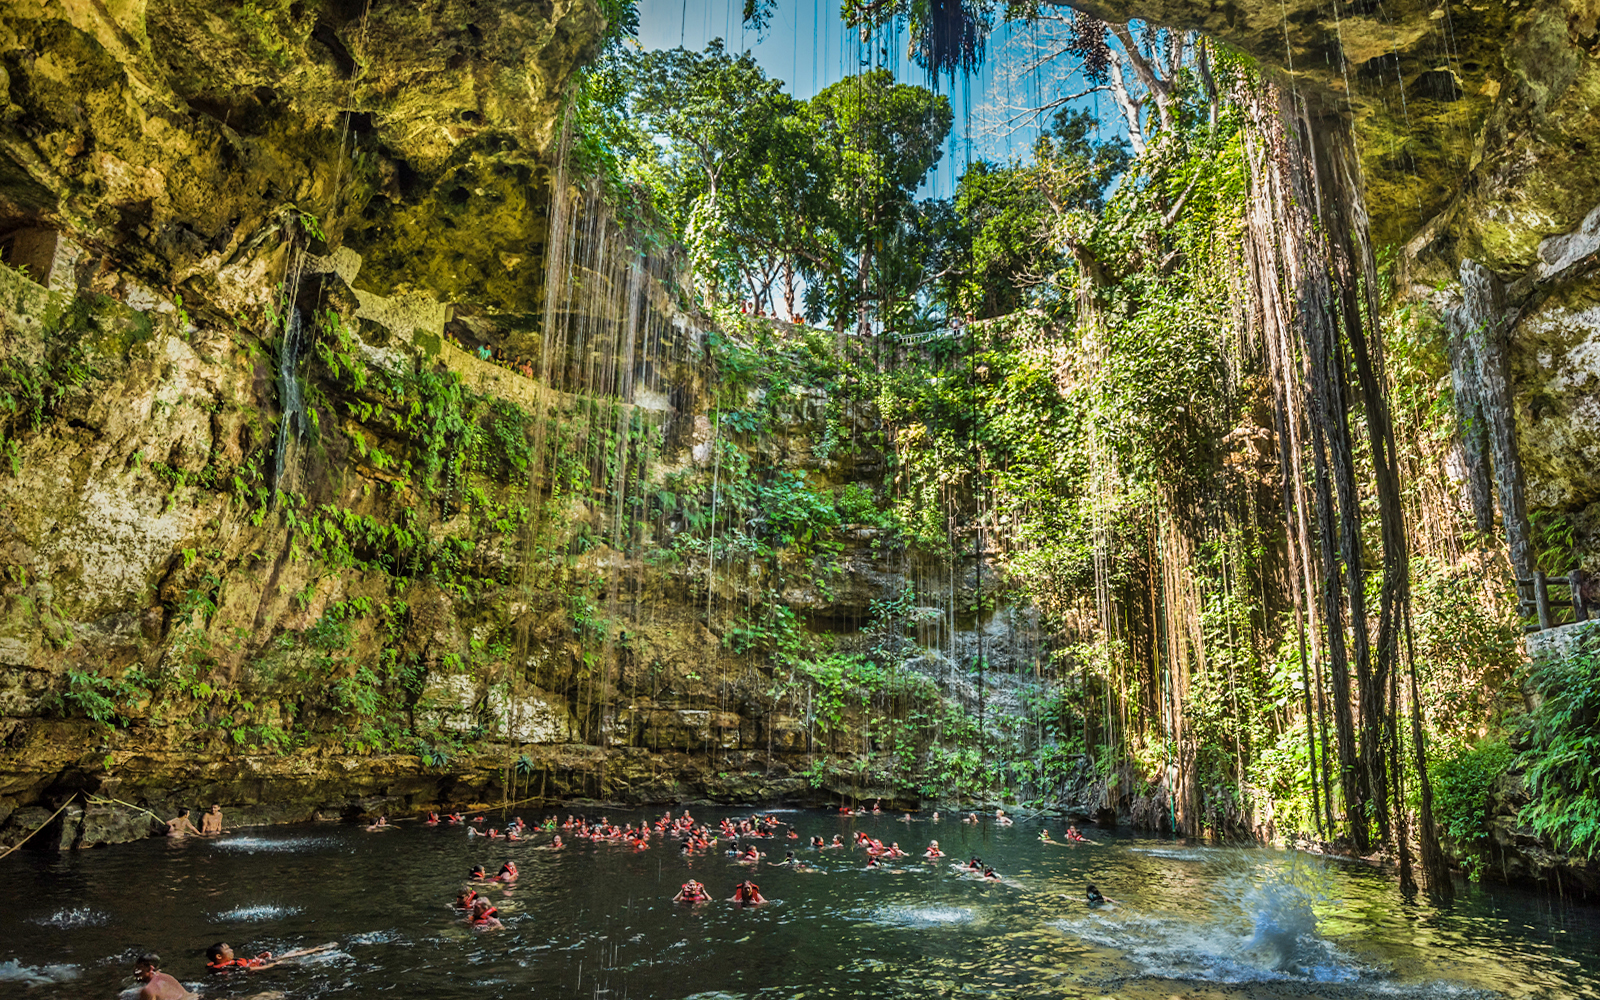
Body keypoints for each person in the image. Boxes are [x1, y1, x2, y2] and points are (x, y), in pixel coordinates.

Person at [205, 942, 271, 971]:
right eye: (227, 949)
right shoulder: (228, 968)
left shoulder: (232, 964)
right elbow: (250, 969)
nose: (231, 950)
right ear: (219, 956)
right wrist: (274, 965)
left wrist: (260, 958)